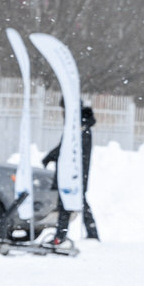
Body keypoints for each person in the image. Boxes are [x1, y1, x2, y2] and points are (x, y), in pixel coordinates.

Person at [44, 104, 101, 242]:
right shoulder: (78, 127)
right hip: (73, 173)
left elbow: (67, 148)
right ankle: (86, 233)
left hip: (74, 174)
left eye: (63, 110)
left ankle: (61, 236)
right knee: (73, 202)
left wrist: (51, 156)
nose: (62, 113)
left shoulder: (79, 128)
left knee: (67, 202)